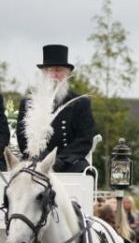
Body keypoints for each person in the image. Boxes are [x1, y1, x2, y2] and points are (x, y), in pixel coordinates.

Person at [15, 44, 95, 172]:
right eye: (50, 69)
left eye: (58, 70)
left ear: (67, 73)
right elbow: (23, 138)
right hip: (37, 160)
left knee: (85, 172)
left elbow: (84, 138)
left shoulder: (80, 103)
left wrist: (62, 160)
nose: (54, 75)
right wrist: (45, 158)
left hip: (69, 162)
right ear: (43, 73)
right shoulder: (29, 103)